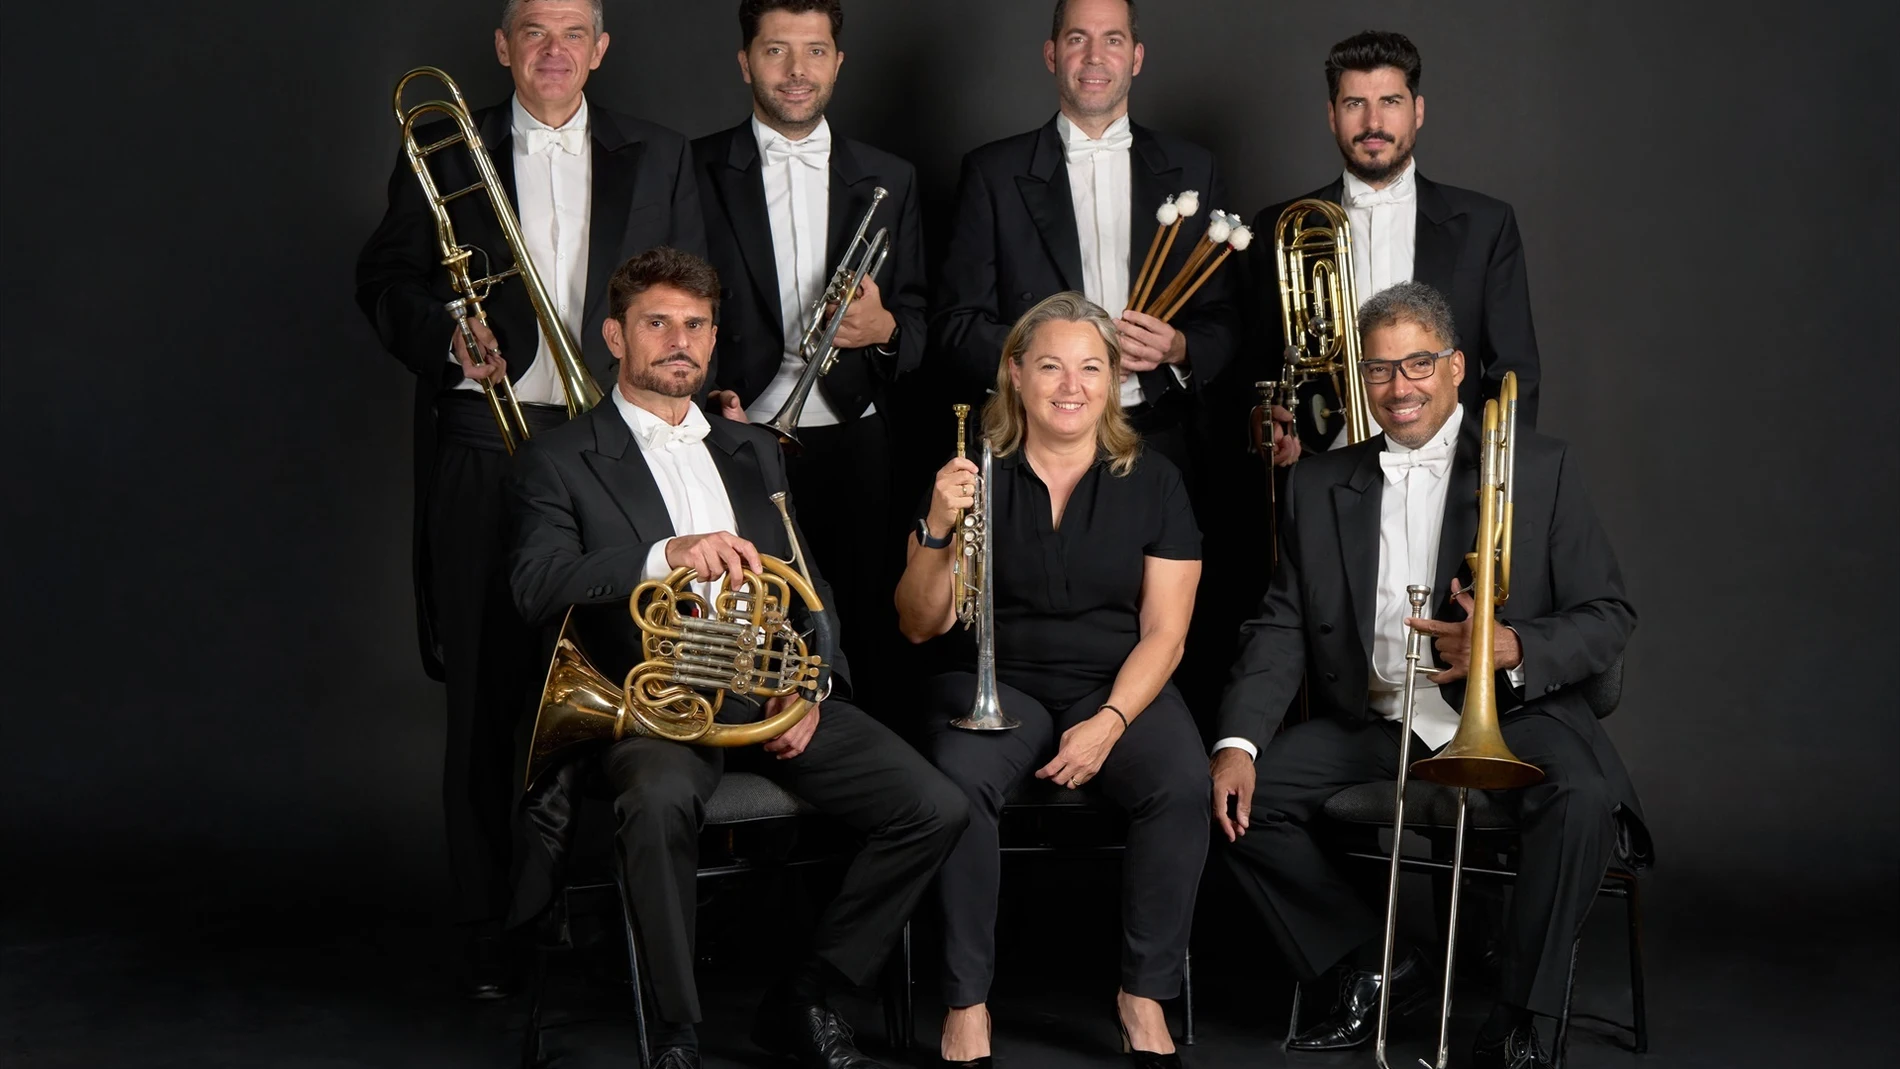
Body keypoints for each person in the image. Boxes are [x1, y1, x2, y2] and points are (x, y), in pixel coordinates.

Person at [505, 247, 968, 1069]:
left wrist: (815, 685)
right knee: (654, 804)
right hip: (652, 707)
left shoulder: (749, 448)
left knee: (934, 804)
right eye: (657, 323)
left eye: (695, 325)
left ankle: (806, 995)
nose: (678, 341)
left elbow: (807, 584)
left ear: (714, 340)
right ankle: (677, 1035)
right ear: (614, 335)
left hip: (770, 698)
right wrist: (663, 553)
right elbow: (535, 584)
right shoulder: (561, 457)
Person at [353, 0, 706, 998]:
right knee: (488, 688)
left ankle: (594, 904)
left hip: (613, 448)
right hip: (486, 445)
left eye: (573, 31)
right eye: (532, 31)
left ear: (600, 49)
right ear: (503, 48)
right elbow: (385, 278)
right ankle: (492, 929)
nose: (554, 50)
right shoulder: (440, 145)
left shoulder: (662, 154)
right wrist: (444, 342)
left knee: (614, 678)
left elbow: (694, 288)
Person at [1211, 282, 1649, 1069]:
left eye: (1417, 363)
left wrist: (1512, 646)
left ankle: (1524, 1018)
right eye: (1379, 370)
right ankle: (1373, 963)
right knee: (1239, 797)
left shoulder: (1539, 468)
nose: (1399, 386)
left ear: (1455, 367)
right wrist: (1238, 741)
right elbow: (1279, 623)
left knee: (1581, 799)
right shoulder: (1318, 482)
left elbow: (1609, 612)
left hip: (1514, 709)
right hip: (1381, 720)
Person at [896, 293, 1208, 1069]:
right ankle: (966, 1005)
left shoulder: (1155, 479)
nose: (1071, 385)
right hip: (996, 682)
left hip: (1118, 682)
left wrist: (1110, 720)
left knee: (1182, 781)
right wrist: (937, 523)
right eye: (1050, 366)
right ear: (1015, 373)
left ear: (1112, 382)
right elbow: (919, 623)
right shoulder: (970, 474)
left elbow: (1166, 633)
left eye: (1090, 367)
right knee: (957, 783)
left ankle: (1143, 994)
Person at [693, 0, 928, 708]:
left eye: (815, 51)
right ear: (744, 62)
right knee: (742, 638)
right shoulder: (694, 166)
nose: (797, 71)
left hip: (855, 440)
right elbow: (668, 304)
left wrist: (884, 328)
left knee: (857, 633)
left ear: (838, 61)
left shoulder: (893, 177)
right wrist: (705, 397)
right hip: (735, 435)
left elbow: (921, 327)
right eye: (775, 51)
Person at [931, 0, 1240, 479]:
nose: (1094, 56)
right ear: (1052, 55)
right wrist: (1050, 362)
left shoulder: (1196, 167)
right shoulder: (992, 173)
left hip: (1159, 434)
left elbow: (1226, 319)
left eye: (1112, 40)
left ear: (1136, 57)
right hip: (1033, 439)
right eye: (1077, 39)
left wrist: (1178, 346)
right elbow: (956, 326)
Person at [1249, 29, 1542, 455]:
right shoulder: (1283, 226)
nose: (1373, 123)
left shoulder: (1485, 224)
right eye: (1355, 104)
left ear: (1417, 111)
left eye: (1391, 102)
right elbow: (1255, 363)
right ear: (1332, 115)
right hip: (1322, 470)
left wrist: (1489, 472)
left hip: (1453, 470)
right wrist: (1263, 418)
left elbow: (1514, 372)